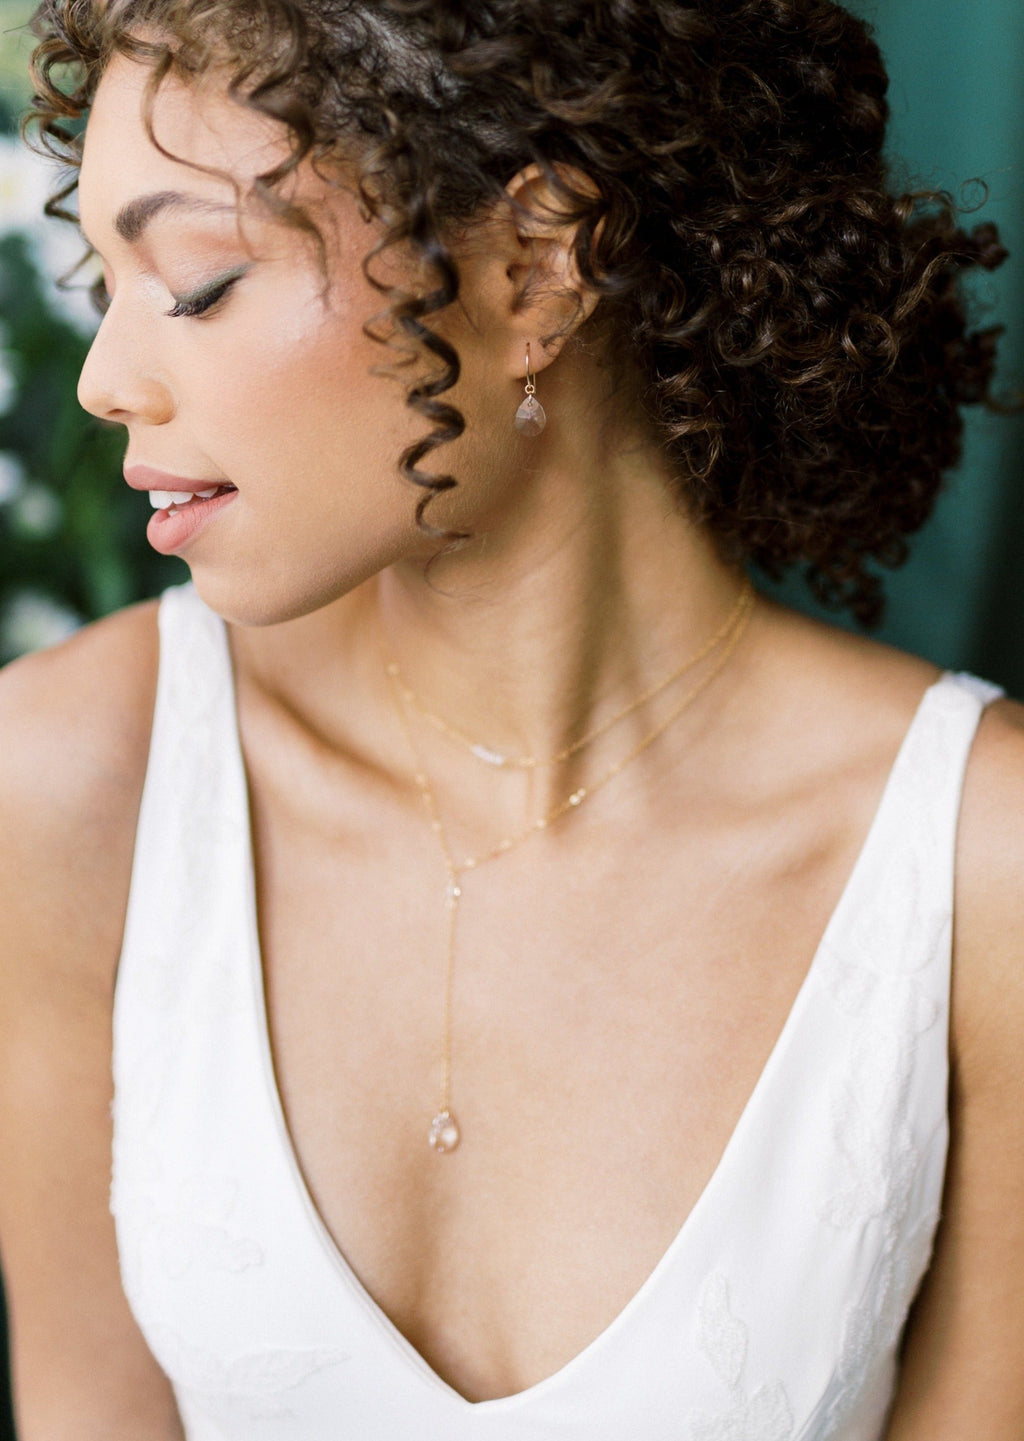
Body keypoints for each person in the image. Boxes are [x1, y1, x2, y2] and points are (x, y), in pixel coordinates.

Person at [1, 0, 1022, 1436]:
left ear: (536, 272)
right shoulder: (72, 779)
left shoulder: (980, 863)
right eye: (100, 278)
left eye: (199, 279)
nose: (110, 379)